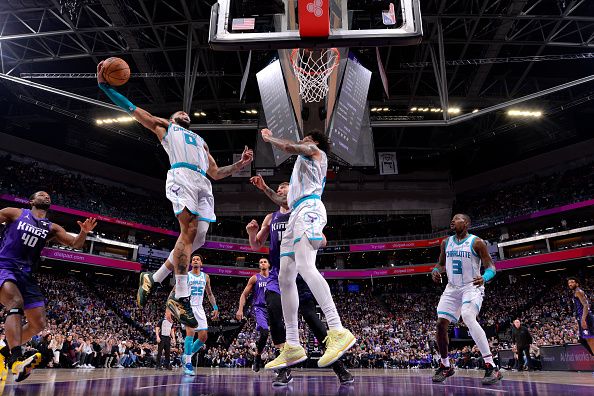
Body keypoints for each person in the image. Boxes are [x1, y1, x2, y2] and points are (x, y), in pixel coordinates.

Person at [96, 61, 253, 328]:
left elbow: (216, 172)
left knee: (198, 237)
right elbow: (133, 110)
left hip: (204, 184)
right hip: (182, 177)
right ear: (172, 118)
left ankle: (154, 278)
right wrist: (105, 87)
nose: (185, 113)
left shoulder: (202, 143)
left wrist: (239, 166)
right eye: (180, 111)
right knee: (188, 231)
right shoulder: (166, 128)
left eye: (186, 113)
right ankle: (180, 296)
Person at [259, 128, 355, 370]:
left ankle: (337, 329)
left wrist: (270, 138)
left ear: (313, 142)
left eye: (305, 138)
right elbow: (284, 201)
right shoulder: (299, 174)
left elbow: (290, 147)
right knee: (284, 277)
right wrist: (264, 189)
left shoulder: (315, 151)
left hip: (310, 209)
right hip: (295, 214)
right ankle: (292, 344)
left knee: (304, 266)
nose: (302, 140)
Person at [245, 174, 354, 385]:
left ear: (293, 191)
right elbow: (256, 246)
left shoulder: (301, 212)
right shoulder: (271, 217)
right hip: (278, 273)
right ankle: (285, 369)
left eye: (284, 188)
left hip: (300, 274)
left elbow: (322, 241)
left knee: (313, 320)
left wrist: (316, 236)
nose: (280, 191)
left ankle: (340, 367)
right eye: (278, 189)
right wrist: (252, 233)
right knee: (275, 312)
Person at [0, 191, 97, 382]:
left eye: (48, 196)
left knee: (39, 324)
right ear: (31, 201)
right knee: (15, 302)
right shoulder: (15, 213)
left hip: (26, 274)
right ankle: (16, 359)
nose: (45, 196)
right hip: (4, 265)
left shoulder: (51, 227)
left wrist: (84, 232)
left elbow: (75, 244)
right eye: (41, 194)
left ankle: (5, 350)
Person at [431, 214, 502, 385]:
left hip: (472, 286)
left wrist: (484, 277)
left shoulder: (477, 242)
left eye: (456, 219)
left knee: (468, 316)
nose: (452, 221)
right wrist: (435, 270)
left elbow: (491, 267)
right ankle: (446, 365)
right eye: (452, 220)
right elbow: (441, 264)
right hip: (452, 288)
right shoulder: (445, 243)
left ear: (467, 223)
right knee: (441, 324)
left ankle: (491, 366)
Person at [179, 253, 218, 376]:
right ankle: (188, 364)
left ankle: (186, 356)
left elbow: (210, 294)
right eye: (194, 259)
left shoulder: (206, 277)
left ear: (201, 263)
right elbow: (176, 290)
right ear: (191, 263)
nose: (195, 260)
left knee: (203, 337)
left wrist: (215, 307)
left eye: (198, 259)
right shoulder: (186, 275)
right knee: (190, 333)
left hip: (199, 308)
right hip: (187, 307)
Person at [236, 258, 271, 373]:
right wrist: (240, 309)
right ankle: (257, 357)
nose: (262, 263)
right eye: (260, 262)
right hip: (259, 308)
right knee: (265, 332)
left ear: (269, 264)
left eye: (265, 261)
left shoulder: (274, 278)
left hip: (271, 308)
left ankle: (262, 357)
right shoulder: (255, 278)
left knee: (276, 336)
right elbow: (244, 294)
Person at [567, 277, 594, 354]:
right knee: (582, 339)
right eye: (569, 283)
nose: (570, 284)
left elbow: (585, 305)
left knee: (590, 339)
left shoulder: (578, 291)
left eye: (572, 282)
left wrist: (583, 319)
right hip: (581, 317)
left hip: (585, 318)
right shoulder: (576, 292)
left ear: (577, 283)